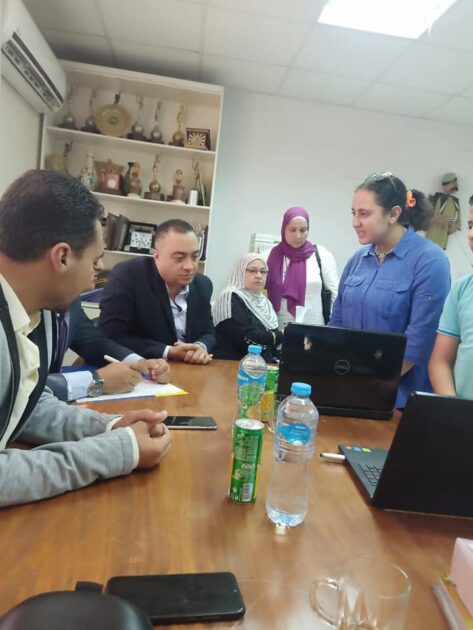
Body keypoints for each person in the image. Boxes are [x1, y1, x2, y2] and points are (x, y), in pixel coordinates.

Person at [0, 169, 171, 507]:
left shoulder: (36, 310)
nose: (97, 274)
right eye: (95, 260)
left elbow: (25, 405)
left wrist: (110, 426)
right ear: (62, 257)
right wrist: (119, 451)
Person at [330, 172, 451, 408]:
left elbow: (419, 341)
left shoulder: (429, 260)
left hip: (398, 401)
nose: (355, 222)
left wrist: (369, 384)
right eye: (353, 213)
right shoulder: (358, 260)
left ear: (394, 214)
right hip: (350, 389)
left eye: (364, 214)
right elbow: (337, 324)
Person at [99, 219, 215, 364]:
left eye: (195, 257)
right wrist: (168, 351)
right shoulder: (128, 277)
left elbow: (208, 332)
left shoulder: (203, 285)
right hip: (143, 368)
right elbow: (112, 337)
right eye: (180, 258)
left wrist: (200, 347)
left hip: (190, 369)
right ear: (157, 257)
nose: (190, 266)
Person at [47, 296, 171, 402]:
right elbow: (34, 388)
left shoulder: (71, 300)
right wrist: (96, 382)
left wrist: (140, 363)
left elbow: (93, 342)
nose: (100, 269)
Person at [264, 207, 339, 330]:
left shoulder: (322, 255)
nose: (298, 236)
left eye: (303, 230)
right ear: (284, 228)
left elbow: (335, 294)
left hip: (315, 329)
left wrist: (332, 328)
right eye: (292, 230)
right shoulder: (268, 256)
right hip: (278, 329)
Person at [429, 201, 473, 398]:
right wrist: (453, 408)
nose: (470, 235)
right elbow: (441, 362)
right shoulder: (462, 289)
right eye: (470, 225)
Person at [212, 253, 282, 362]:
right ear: (240, 272)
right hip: (232, 364)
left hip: (261, 364)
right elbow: (245, 337)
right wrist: (276, 336)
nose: (259, 275)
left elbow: (272, 343)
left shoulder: (265, 302)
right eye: (253, 270)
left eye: (263, 271)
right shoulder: (230, 296)